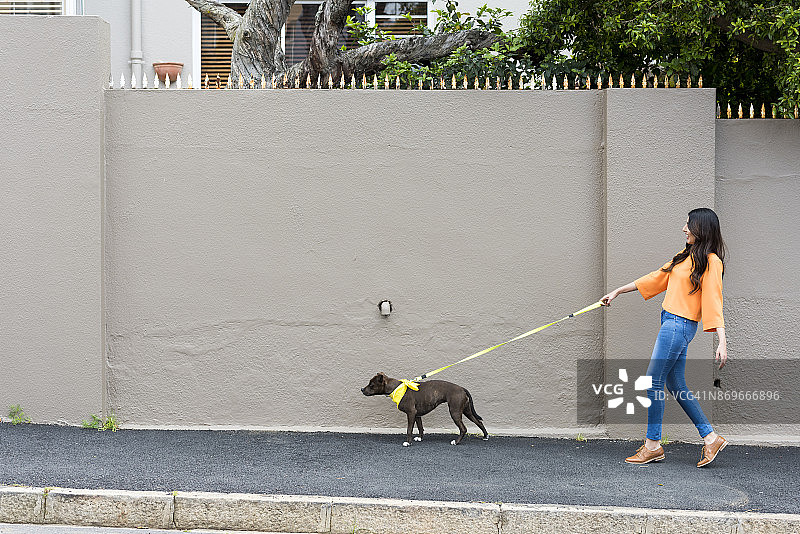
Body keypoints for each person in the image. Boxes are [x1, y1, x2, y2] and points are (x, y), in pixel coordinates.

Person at [601, 208, 728, 467]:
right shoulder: (685, 256)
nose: (684, 228)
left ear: (702, 228)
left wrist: (722, 341)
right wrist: (617, 291)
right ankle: (711, 438)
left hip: (679, 325)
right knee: (676, 385)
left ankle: (652, 445)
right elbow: (656, 278)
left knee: (653, 382)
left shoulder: (712, 261)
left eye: (689, 224)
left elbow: (714, 301)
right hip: (670, 323)